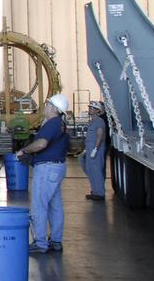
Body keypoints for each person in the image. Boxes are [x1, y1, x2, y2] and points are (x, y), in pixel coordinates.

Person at [15, 94, 70, 254]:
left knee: (39, 205)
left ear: (54, 108)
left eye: (47, 104)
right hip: (57, 168)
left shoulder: (52, 123)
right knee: (55, 206)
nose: (45, 107)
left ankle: (40, 242)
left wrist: (24, 150)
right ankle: (56, 241)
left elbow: (41, 143)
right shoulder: (60, 124)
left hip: (47, 169)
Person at [83, 100, 109, 201]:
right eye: (89, 107)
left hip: (96, 151)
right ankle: (95, 191)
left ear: (97, 110)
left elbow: (100, 136)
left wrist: (95, 149)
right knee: (91, 170)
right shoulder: (92, 121)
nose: (89, 109)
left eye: (91, 108)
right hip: (90, 150)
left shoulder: (99, 121)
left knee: (97, 171)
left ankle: (100, 193)